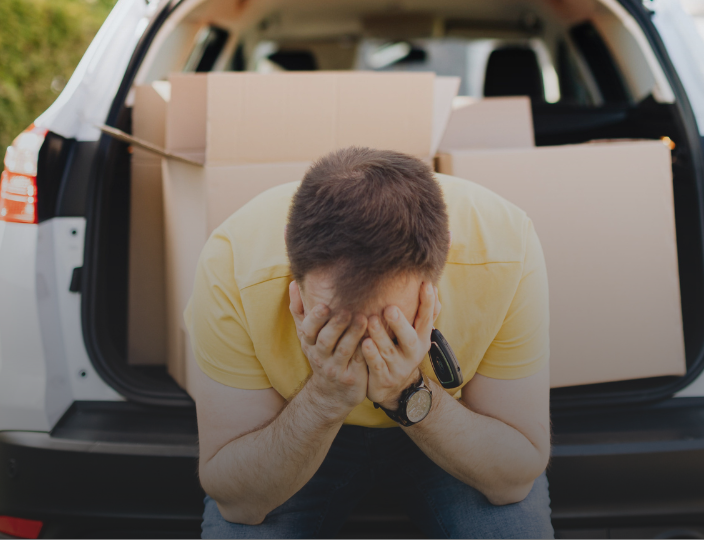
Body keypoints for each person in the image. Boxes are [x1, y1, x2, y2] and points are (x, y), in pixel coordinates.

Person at [189, 147, 553, 539]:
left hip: (453, 419)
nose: (366, 348)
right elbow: (238, 503)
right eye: (336, 323)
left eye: (390, 324)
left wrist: (405, 391)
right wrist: (326, 397)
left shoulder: (506, 248)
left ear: (442, 253)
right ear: (289, 254)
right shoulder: (232, 262)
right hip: (292, 428)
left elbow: (512, 480)